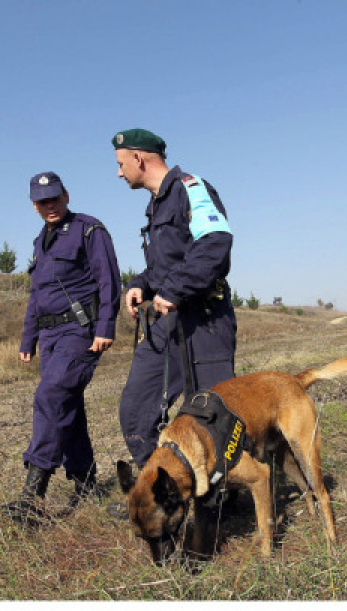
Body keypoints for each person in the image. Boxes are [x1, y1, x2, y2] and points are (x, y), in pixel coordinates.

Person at [112, 128, 237, 468]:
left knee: (211, 412)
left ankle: (221, 495)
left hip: (206, 320)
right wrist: (141, 284)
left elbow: (215, 243)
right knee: (136, 408)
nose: (119, 172)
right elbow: (163, 268)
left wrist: (173, 290)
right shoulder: (155, 207)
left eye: (122, 164)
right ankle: (162, 487)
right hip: (170, 322)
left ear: (139, 159)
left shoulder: (190, 188)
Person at [3, 171, 121, 523]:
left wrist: (105, 327)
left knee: (51, 396)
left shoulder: (89, 230)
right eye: (42, 201)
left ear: (66, 197)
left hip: (80, 331)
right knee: (67, 405)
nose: (49, 205)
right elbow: (37, 295)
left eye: (54, 198)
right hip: (50, 337)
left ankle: (32, 496)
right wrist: (29, 337)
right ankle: (85, 482)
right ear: (33, 205)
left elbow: (108, 280)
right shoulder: (41, 241)